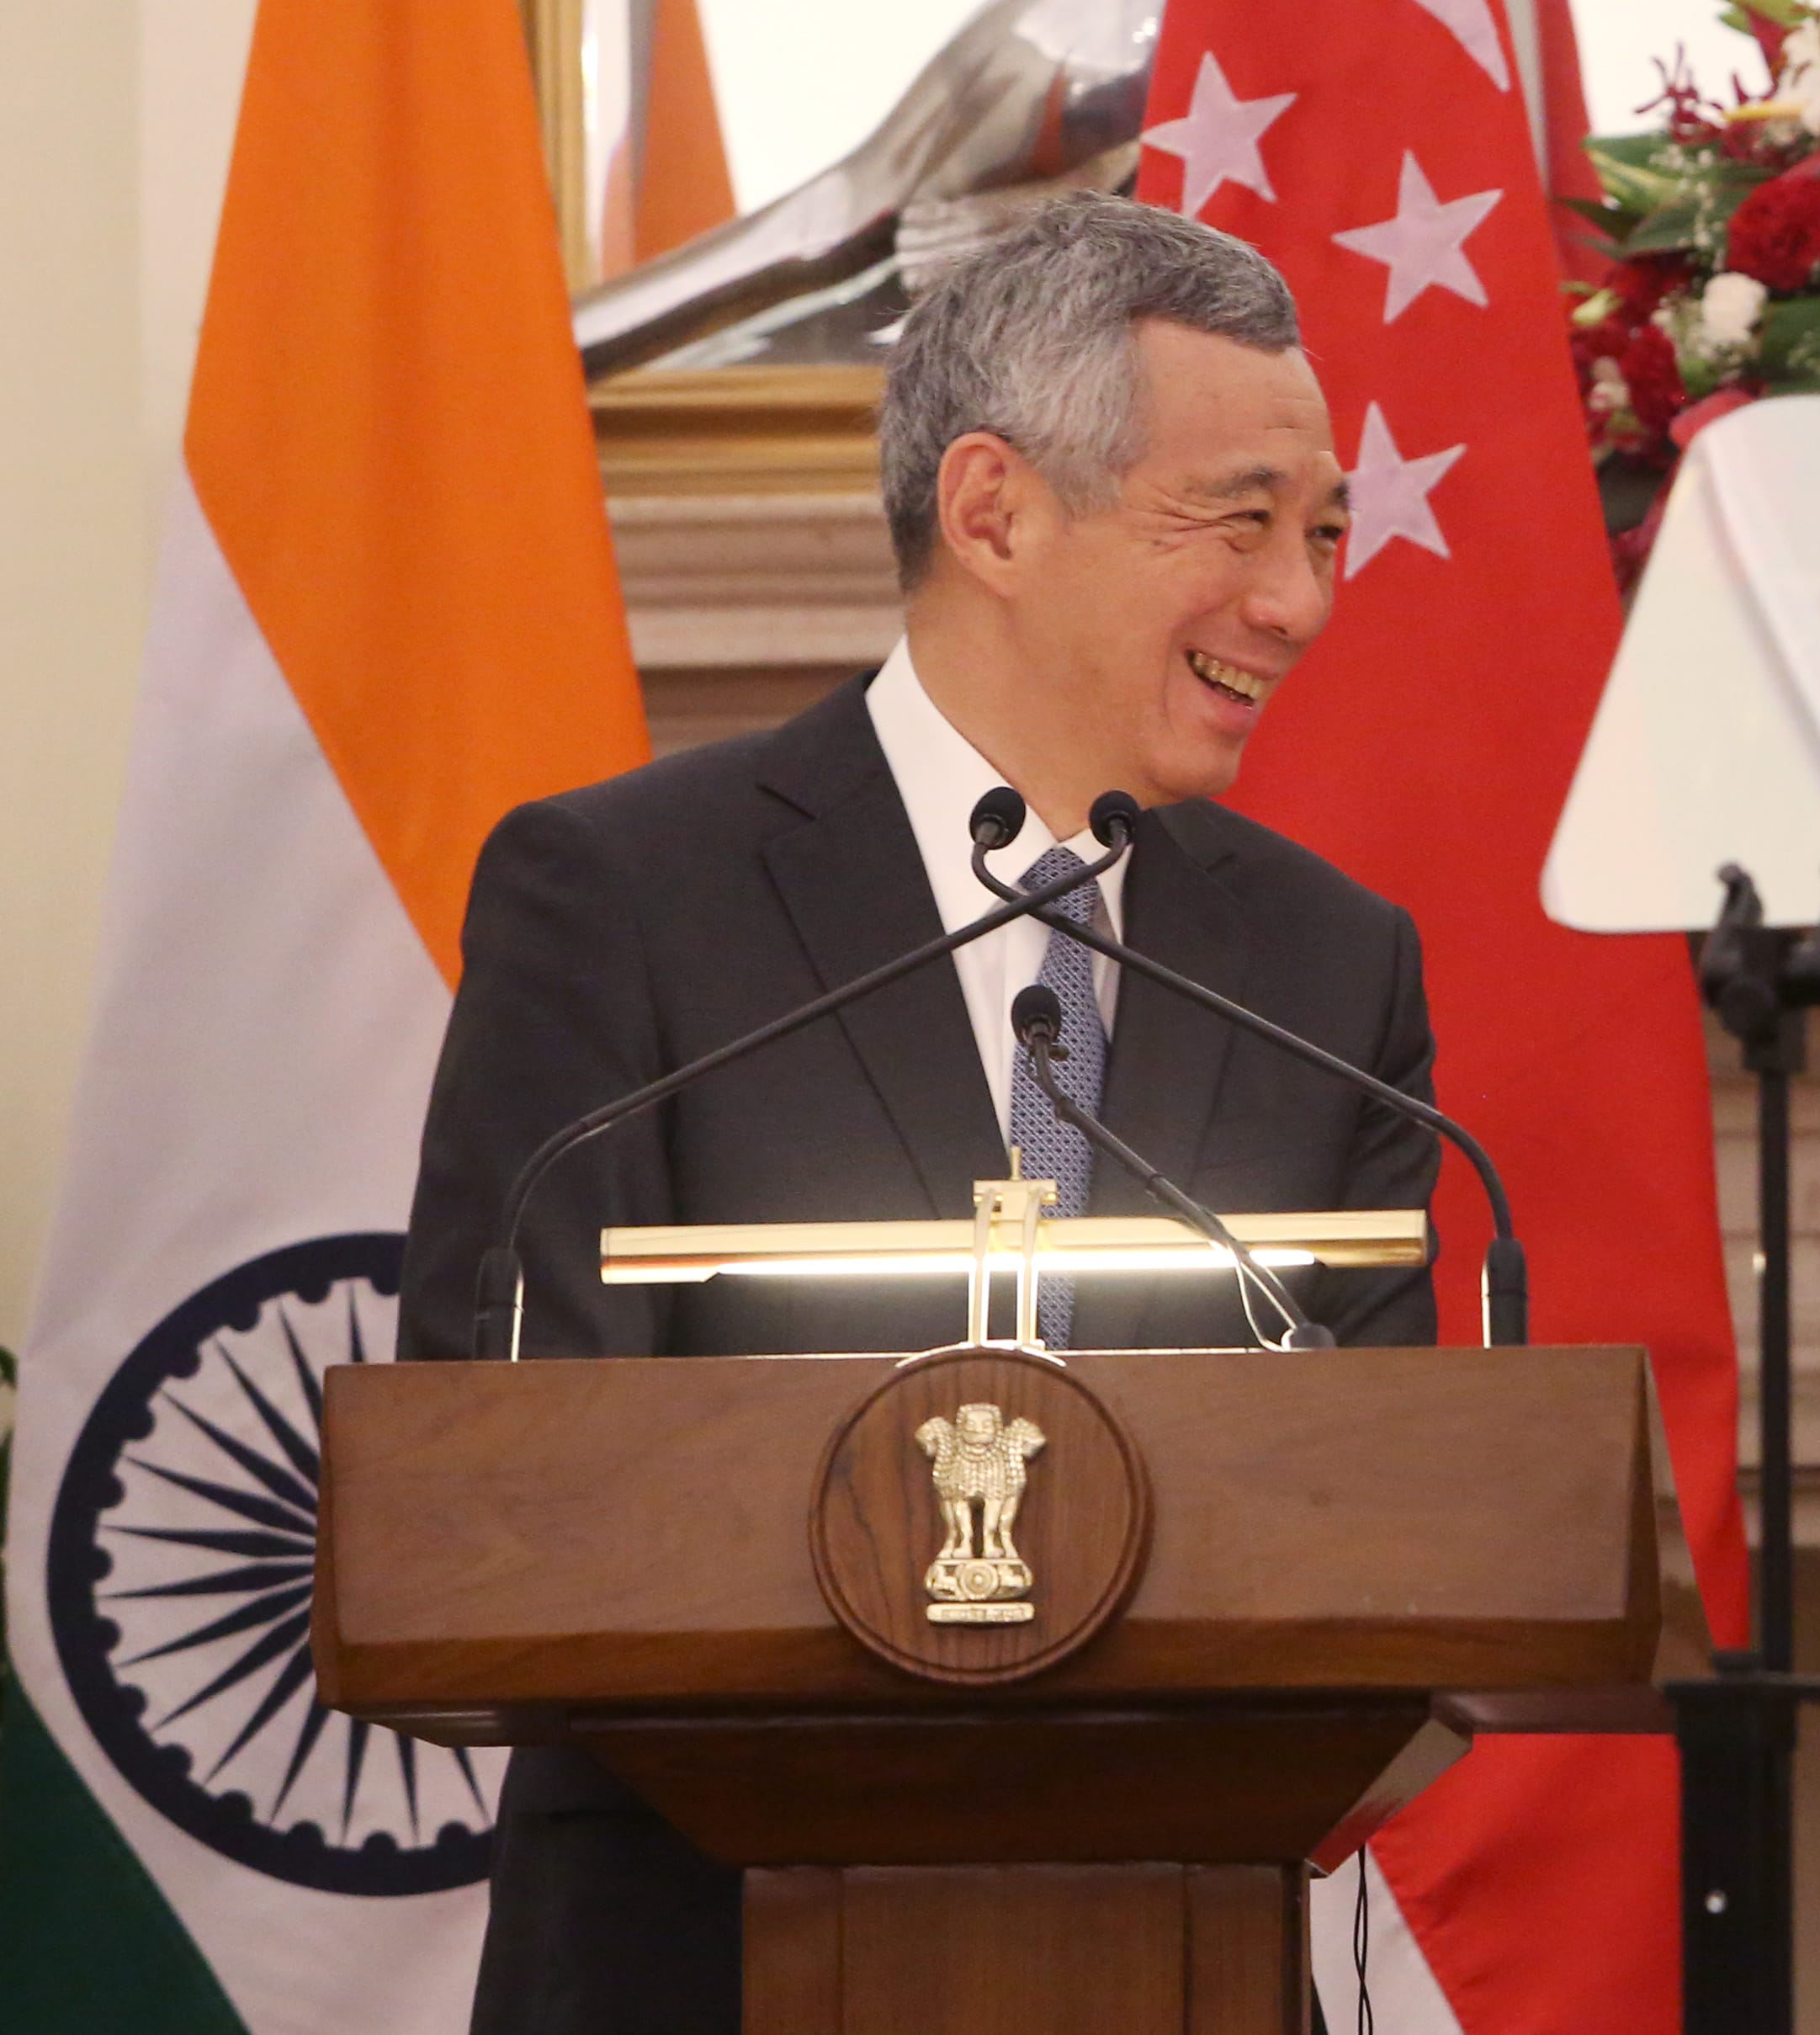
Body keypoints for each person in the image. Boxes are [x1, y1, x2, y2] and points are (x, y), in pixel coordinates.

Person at [401, 194, 1447, 2035]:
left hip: (1175, 1957)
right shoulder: (623, 896)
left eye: (1325, 532)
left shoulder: (1326, 964)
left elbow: (1393, 1525)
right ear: (995, 511)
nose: (1297, 598)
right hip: (695, 1966)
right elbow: (503, 1485)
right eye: (1242, 520)